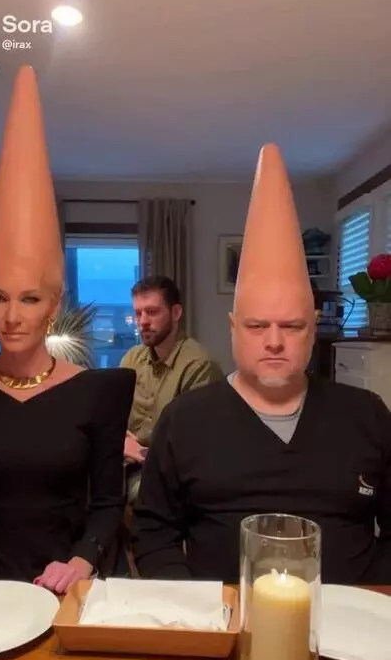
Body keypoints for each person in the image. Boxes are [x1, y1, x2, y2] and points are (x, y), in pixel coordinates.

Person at [0, 64, 134, 601]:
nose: (11, 316)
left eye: (29, 298)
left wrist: (82, 559)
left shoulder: (98, 392)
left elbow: (107, 505)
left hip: (66, 591)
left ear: (53, 304)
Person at [130, 143, 391, 586]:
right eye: (256, 326)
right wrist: (192, 605)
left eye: (291, 326)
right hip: (221, 616)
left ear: (313, 329)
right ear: (233, 329)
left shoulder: (367, 415)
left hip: (351, 616)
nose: (273, 341)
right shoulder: (186, 420)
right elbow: (154, 532)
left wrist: (372, 597)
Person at [120, 275, 223, 501]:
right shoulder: (132, 358)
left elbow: (195, 444)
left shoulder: (199, 365)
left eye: (152, 312)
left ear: (176, 313)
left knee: (139, 492)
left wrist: (142, 454)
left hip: (169, 471)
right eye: (138, 313)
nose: (143, 321)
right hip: (126, 461)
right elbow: (111, 417)